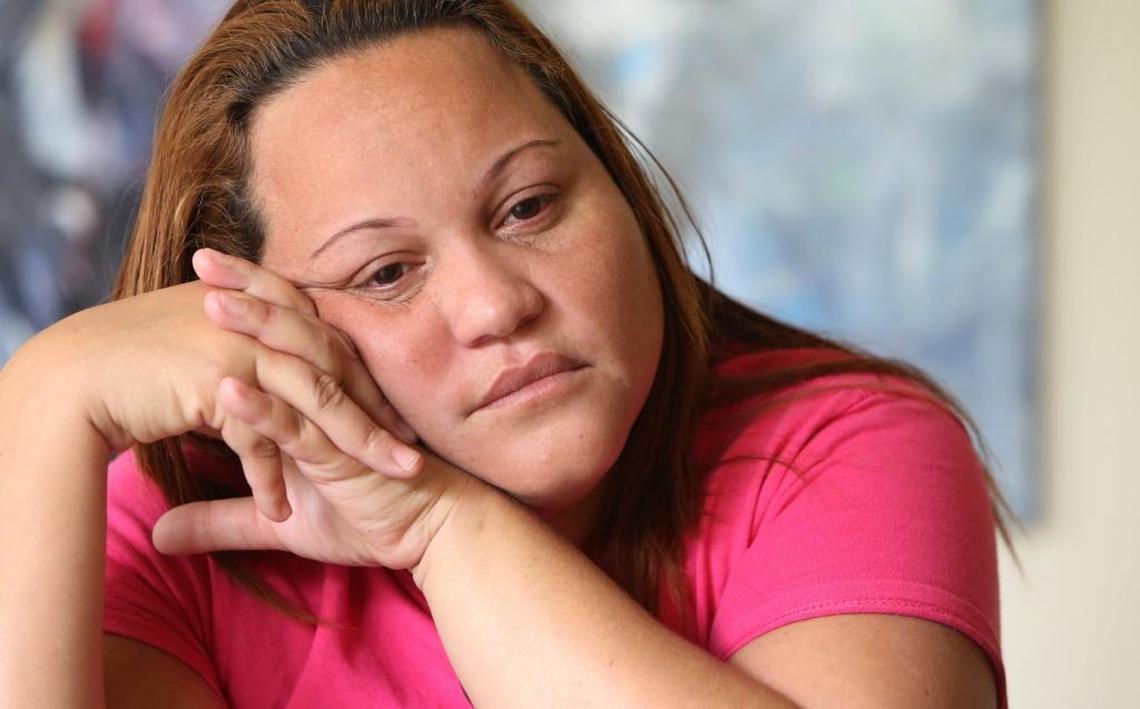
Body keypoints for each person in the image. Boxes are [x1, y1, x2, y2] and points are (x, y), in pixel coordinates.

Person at [0, 1, 1010, 706]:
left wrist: (441, 527)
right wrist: (43, 398)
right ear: (259, 318)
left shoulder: (843, 442)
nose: (497, 305)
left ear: (619, 186)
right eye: (386, 272)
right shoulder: (182, 531)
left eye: (528, 207)